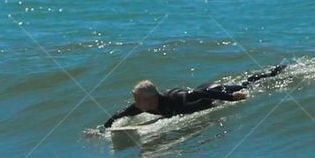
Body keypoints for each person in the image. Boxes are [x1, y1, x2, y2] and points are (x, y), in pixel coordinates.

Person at [102, 64, 287, 129]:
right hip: (203, 93)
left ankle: (276, 72)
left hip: (213, 92)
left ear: (150, 99)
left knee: (250, 84)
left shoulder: (176, 99)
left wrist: (232, 98)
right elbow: (119, 115)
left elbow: (204, 93)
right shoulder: (144, 106)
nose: (135, 104)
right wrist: (103, 129)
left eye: (138, 100)